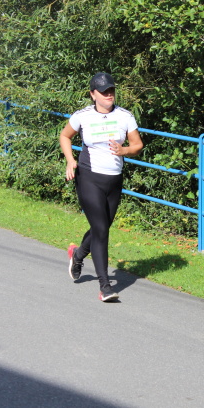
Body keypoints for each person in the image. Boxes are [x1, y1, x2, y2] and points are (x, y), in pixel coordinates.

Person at [59, 72, 143, 301]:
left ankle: (78, 255)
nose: (109, 95)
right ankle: (105, 286)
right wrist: (70, 160)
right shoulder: (82, 116)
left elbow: (137, 145)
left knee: (102, 227)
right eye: (104, 92)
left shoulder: (125, 116)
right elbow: (65, 136)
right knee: (102, 230)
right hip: (89, 177)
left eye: (111, 90)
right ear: (93, 94)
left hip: (114, 180)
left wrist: (124, 150)